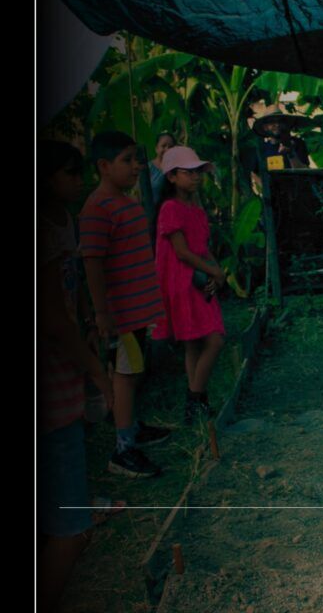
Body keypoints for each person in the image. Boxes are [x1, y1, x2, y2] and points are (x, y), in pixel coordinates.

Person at [37, 141, 113, 612]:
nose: (78, 181)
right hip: (53, 383)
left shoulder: (63, 222)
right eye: (70, 173)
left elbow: (70, 304)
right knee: (70, 531)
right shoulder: (46, 232)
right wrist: (96, 374)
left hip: (61, 375)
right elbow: (52, 318)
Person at [79, 131, 170, 479]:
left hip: (138, 310)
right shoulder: (98, 209)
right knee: (125, 376)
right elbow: (92, 263)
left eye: (137, 159)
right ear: (104, 166)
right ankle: (123, 449)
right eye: (127, 160)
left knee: (133, 373)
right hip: (120, 314)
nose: (137, 166)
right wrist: (102, 313)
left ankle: (131, 427)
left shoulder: (126, 203)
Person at [153, 147, 226, 423]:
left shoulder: (196, 208)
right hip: (183, 282)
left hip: (199, 278)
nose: (196, 178)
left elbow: (202, 247)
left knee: (195, 343)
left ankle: (197, 400)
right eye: (189, 172)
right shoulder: (170, 208)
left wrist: (216, 272)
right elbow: (182, 252)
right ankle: (195, 398)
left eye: (198, 172)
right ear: (172, 177)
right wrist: (214, 272)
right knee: (215, 339)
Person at [247, 101, 310, 182]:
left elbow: (305, 172)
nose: (277, 124)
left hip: (297, 192)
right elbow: (254, 173)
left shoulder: (297, 143)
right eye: (272, 122)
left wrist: (291, 154)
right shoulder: (261, 149)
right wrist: (265, 189)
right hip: (274, 193)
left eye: (280, 121)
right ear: (265, 127)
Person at [148, 131, 176, 204]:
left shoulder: (176, 169)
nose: (167, 149)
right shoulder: (147, 168)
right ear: (156, 148)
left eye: (170, 147)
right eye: (163, 146)